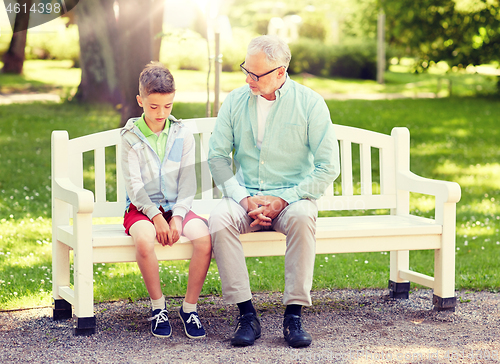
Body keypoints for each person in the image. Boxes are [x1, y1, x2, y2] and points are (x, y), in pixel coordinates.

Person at [208, 35, 340, 348]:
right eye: (246, 70)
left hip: (291, 198)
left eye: (256, 74)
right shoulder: (235, 100)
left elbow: (327, 167)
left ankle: (293, 315)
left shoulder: (310, 103)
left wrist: (284, 200)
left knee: (303, 216)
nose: (247, 79)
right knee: (218, 218)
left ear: (280, 73)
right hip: (246, 197)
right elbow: (217, 157)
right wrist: (244, 199)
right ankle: (247, 314)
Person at [121, 62, 212, 339]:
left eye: (168, 106)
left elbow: (188, 182)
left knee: (204, 239)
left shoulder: (182, 134)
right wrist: (157, 216)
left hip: (178, 206)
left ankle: (189, 309)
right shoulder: (129, 137)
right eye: (154, 107)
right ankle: (158, 308)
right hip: (141, 209)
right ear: (140, 101)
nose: (161, 113)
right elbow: (134, 186)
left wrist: (178, 215)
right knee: (145, 239)